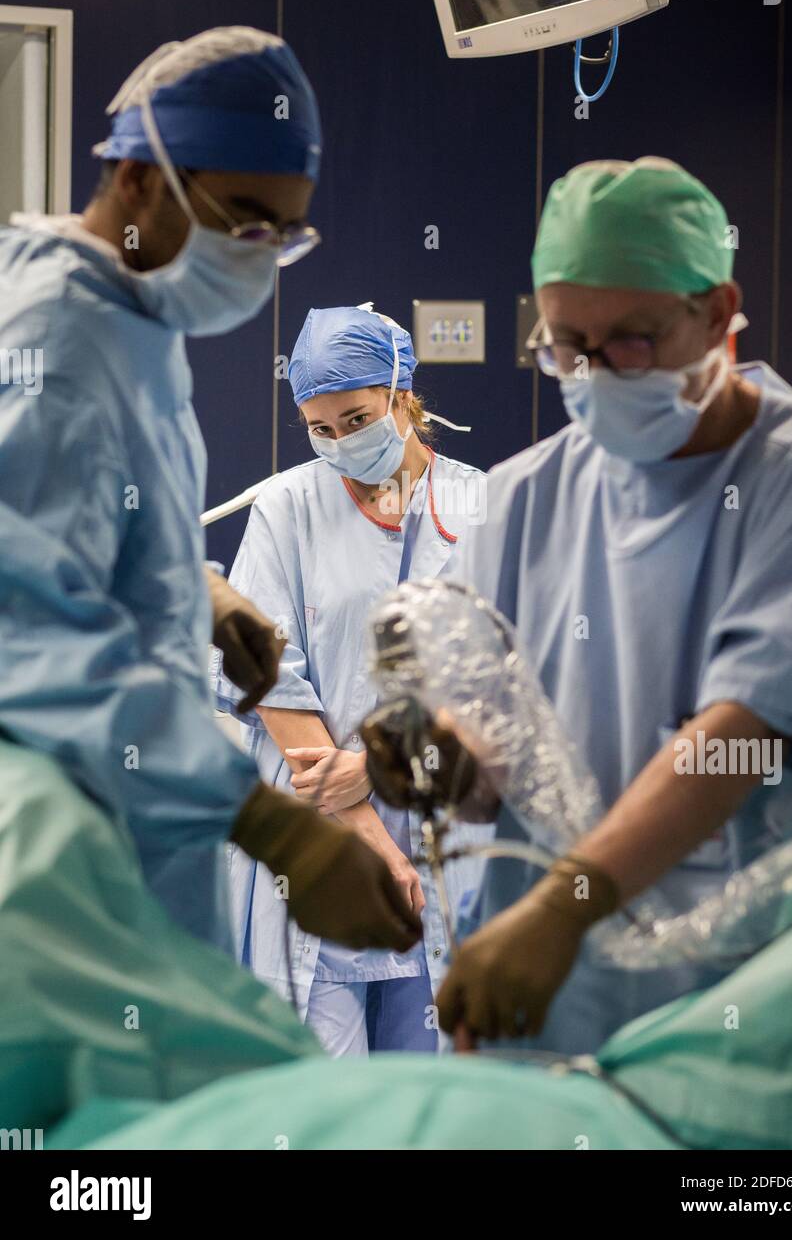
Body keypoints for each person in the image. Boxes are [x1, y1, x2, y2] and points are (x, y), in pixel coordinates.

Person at [0, 26, 420, 961]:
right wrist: (281, 831)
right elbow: (27, 640)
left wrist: (190, 591)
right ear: (139, 180)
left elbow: (54, 530)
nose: (259, 254)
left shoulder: (120, 314)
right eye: (242, 218)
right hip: (55, 855)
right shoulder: (67, 346)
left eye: (285, 232)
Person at [436, 156, 792, 1053]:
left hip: (733, 1006)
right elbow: (486, 735)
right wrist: (441, 761)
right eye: (565, 345)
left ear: (716, 312)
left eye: (630, 340)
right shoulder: (522, 500)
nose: (594, 374)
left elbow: (740, 738)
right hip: (537, 1003)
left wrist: (563, 911)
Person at [214, 303, 490, 1054]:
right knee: (324, 1106)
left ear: (405, 396)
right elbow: (269, 673)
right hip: (321, 834)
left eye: (356, 418)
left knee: (431, 1093)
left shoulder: (484, 506)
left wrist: (381, 768)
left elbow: (501, 684)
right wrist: (366, 826)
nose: (339, 442)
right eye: (320, 427)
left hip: (444, 836)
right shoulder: (287, 507)